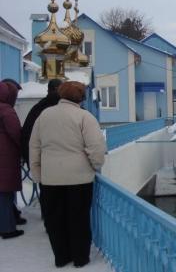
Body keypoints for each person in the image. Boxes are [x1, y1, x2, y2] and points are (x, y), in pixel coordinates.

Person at [30, 81, 106, 268]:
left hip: (50, 179)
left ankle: (61, 257)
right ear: (81, 97)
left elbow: (34, 146)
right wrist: (96, 166)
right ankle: (80, 258)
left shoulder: (44, 116)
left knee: (55, 219)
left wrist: (37, 173)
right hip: (79, 179)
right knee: (78, 219)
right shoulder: (84, 117)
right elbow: (96, 147)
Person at [20, 78, 62, 226]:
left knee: (47, 192)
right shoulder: (66, 109)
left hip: (43, 161)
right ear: (56, 90)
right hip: (62, 161)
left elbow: (26, 136)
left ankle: (49, 221)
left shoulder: (38, 108)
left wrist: (31, 161)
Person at [0, 82, 24, 239]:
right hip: (5, 157)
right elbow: (17, 133)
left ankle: (10, 220)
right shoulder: (6, 111)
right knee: (5, 193)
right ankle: (7, 229)